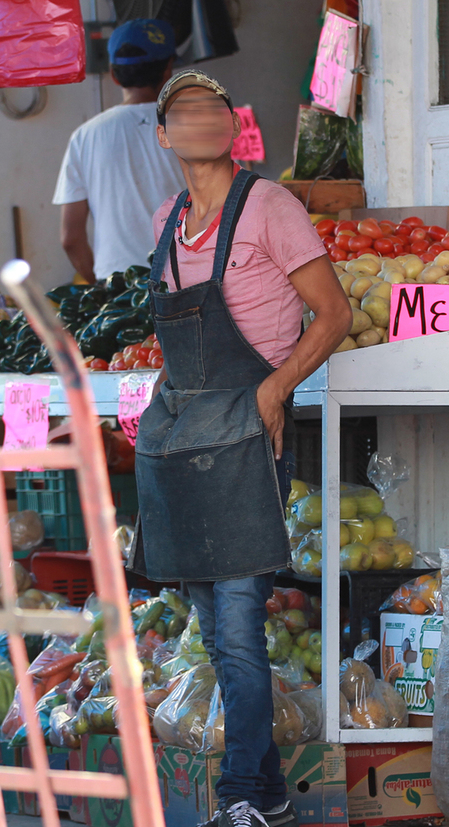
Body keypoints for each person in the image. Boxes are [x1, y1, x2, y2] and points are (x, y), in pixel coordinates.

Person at [131, 71, 352, 827]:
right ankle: (269, 794)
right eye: (182, 113)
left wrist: (274, 390)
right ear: (164, 134)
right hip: (185, 437)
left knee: (235, 625)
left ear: (232, 127)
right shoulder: (166, 220)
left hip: (248, 434)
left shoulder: (270, 207)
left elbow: (333, 313)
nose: (199, 122)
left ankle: (238, 798)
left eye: (212, 110)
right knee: (214, 628)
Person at [53, 18, 186, 283]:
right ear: (168, 70)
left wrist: (102, 290)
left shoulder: (85, 137)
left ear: (114, 75)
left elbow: (70, 239)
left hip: (119, 286)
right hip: (189, 284)